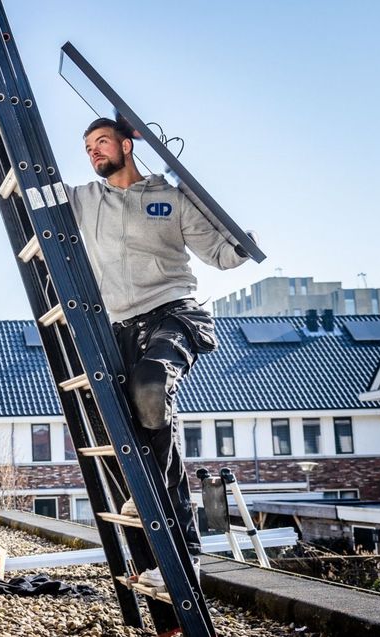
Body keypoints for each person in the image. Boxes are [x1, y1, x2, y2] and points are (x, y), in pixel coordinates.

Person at [66, 117, 254, 587]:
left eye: (102, 142)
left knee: (151, 388)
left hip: (173, 312)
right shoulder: (85, 200)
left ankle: (184, 551)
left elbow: (221, 253)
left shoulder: (168, 198)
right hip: (120, 327)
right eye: (88, 147)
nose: (93, 152)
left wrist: (241, 244)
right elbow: (33, 191)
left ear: (127, 146)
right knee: (122, 423)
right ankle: (150, 520)